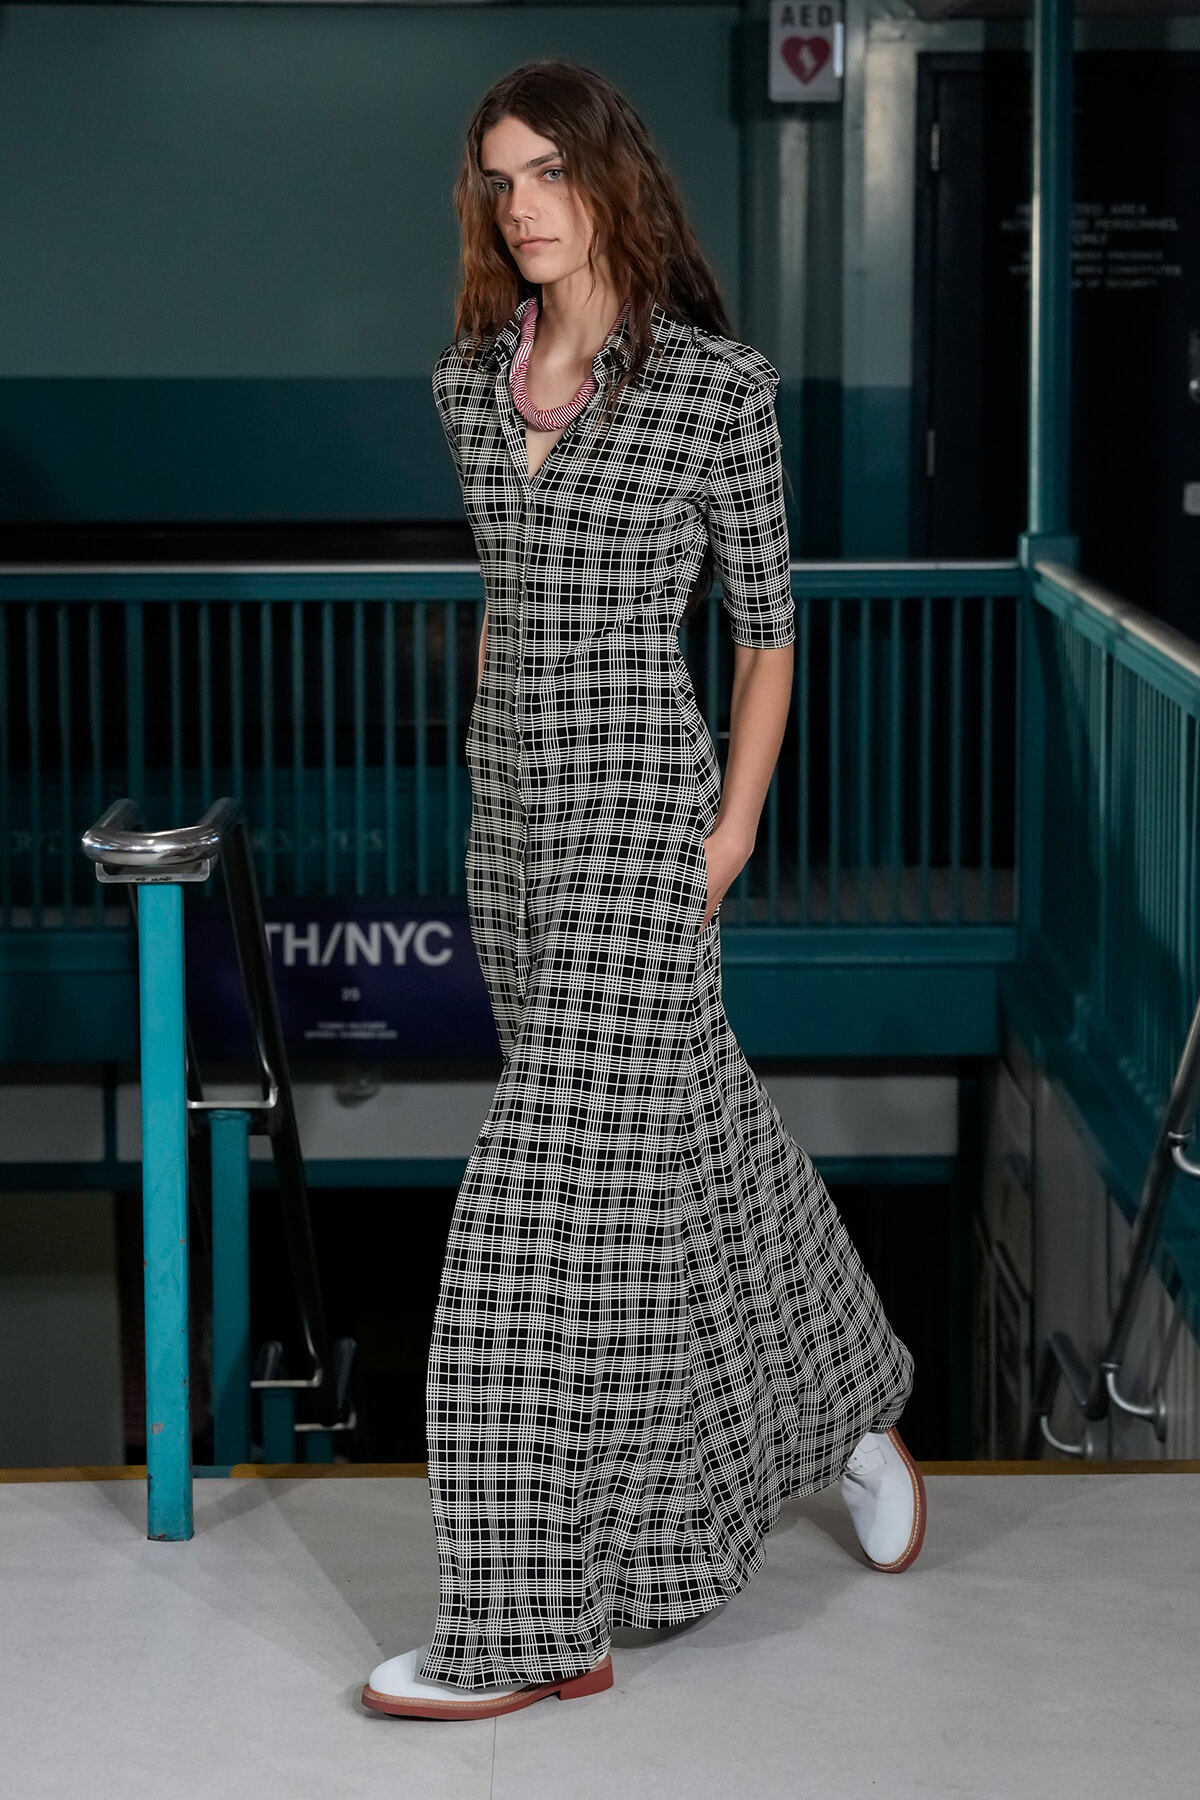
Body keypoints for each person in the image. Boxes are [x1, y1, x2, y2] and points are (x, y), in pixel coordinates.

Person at [362, 58, 922, 1723]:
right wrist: (490, 784)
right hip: (513, 834)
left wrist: (731, 833)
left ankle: (536, 1617)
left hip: (644, 821)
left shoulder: (714, 391)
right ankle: (846, 1402)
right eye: (499, 179)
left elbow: (767, 631)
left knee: (530, 1224)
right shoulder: (470, 386)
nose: (522, 205)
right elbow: (504, 600)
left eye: (547, 171)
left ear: (611, 177)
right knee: (680, 1139)